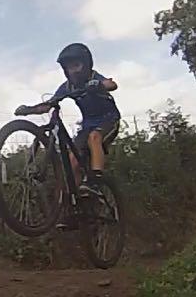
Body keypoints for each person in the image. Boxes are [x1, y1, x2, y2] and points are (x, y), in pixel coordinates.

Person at [16, 42, 120, 196]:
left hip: (108, 120)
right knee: (73, 160)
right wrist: (28, 110)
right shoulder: (68, 87)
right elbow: (47, 106)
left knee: (94, 138)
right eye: (69, 68)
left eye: (76, 65)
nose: (73, 71)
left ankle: (95, 182)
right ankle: (75, 200)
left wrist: (98, 85)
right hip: (87, 125)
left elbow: (112, 84)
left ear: (86, 65)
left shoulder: (93, 77)